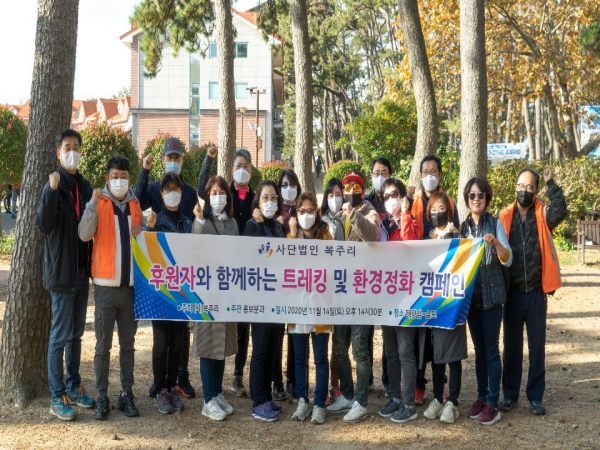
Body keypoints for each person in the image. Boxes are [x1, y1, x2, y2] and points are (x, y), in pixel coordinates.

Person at [79, 155, 143, 420]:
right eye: (114, 176)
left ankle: (126, 394)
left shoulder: (136, 205)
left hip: (130, 288)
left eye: (124, 177)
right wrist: (92, 206)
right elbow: (83, 234)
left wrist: (145, 229)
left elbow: (146, 244)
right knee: (103, 346)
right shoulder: (99, 203)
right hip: (105, 288)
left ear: (130, 178)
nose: (119, 181)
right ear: (107, 179)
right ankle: (103, 395)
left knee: (127, 345)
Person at [37, 129, 95, 421]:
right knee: (59, 336)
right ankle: (56, 395)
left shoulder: (84, 185)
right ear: (58, 153)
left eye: (76, 147)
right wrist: (49, 190)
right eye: (66, 147)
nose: (72, 151)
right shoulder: (54, 184)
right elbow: (44, 224)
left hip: (82, 272)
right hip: (61, 274)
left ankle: (74, 386)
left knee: (76, 335)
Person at [499, 168, 566, 416]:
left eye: (529, 187)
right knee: (511, 346)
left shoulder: (542, 212)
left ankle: (535, 397)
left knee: (537, 346)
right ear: (514, 187)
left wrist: (551, 182)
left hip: (537, 292)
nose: (524, 191)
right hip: (513, 293)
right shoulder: (504, 215)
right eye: (520, 186)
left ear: (536, 190)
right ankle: (510, 394)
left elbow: (561, 209)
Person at [135, 136, 198, 399]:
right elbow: (136, 202)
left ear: (182, 159)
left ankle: (179, 378)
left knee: (181, 334)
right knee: (161, 338)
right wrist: (144, 170)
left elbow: (196, 231)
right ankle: (159, 383)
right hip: (161, 278)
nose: (173, 162)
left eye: (177, 157)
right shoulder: (152, 188)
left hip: (182, 278)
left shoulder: (191, 193)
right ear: (163, 160)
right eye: (169, 157)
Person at [326, 172, 380, 423]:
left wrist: (353, 214)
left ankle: (360, 400)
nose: (349, 190)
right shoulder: (337, 217)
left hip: (363, 292)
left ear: (363, 189)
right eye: (346, 186)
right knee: (339, 348)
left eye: (355, 186)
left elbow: (372, 236)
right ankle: (347, 394)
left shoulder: (370, 212)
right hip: (340, 292)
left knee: (360, 349)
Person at [460, 177, 513, 426]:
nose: (477, 199)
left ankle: (493, 402)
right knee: (479, 351)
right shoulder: (463, 228)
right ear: (467, 199)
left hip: (492, 299)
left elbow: (508, 258)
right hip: (472, 300)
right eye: (472, 195)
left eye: (481, 195)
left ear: (487, 198)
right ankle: (481, 397)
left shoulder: (495, 223)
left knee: (491, 351)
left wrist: (496, 244)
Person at [409, 155, 459, 405]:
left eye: (433, 171)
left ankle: (442, 387)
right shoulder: (412, 201)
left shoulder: (449, 200)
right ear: (420, 176)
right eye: (425, 171)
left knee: (440, 334)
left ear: (439, 175)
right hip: (418, 278)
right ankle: (419, 383)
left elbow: (459, 243)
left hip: (443, 282)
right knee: (419, 334)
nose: (429, 175)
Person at [192, 175, 239, 421]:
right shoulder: (201, 220)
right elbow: (194, 248)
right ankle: (208, 399)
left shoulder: (231, 222)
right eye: (214, 193)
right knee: (207, 346)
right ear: (207, 197)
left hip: (226, 292)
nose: (218, 197)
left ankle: (218, 392)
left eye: (222, 193)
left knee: (221, 346)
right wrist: (199, 221)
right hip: (205, 293)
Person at [146, 173, 192, 414]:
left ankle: (172, 385)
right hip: (161, 292)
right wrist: (149, 229)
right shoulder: (156, 220)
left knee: (177, 343)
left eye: (176, 188)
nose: (172, 192)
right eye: (167, 189)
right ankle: (161, 389)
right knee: (161, 343)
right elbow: (147, 254)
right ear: (161, 193)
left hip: (182, 292)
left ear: (182, 192)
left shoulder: (188, 223)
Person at [377, 178, 422, 423]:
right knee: (391, 351)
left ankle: (408, 403)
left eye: (394, 194)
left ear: (402, 197)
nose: (390, 199)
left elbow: (409, 244)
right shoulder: (382, 226)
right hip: (387, 298)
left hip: (408, 299)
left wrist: (405, 213)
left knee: (406, 351)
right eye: (386, 195)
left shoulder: (410, 221)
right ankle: (394, 397)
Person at [287, 192, 333, 424]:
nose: (306, 214)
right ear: (295, 214)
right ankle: (302, 401)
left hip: (320, 308)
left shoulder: (325, 235)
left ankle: (319, 404)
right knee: (299, 358)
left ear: (317, 211)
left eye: (309, 210)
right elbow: (286, 266)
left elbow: (327, 265)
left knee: (321, 359)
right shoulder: (289, 237)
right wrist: (293, 235)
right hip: (297, 308)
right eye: (301, 211)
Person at [420, 191, 466, 424]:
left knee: (453, 354)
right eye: (434, 209)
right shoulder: (426, 239)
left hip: (453, 304)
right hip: (433, 304)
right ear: (429, 213)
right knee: (437, 354)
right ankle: (438, 397)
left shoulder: (459, 236)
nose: (438, 212)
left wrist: (453, 237)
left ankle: (453, 401)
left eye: (443, 209)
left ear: (450, 211)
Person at [244, 180, 286, 421]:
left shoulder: (279, 228)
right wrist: (260, 225)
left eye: (273, 198)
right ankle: (257, 400)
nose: (270, 202)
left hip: (277, 298)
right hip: (259, 299)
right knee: (259, 350)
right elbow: (257, 257)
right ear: (257, 202)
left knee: (273, 349)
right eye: (265, 198)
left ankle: (267, 396)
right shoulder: (252, 226)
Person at [364, 157, 394, 393]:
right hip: (367, 277)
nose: (380, 176)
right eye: (376, 172)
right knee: (366, 329)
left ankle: (387, 377)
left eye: (384, 172)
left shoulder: (396, 200)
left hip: (391, 278)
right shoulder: (364, 203)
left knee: (388, 332)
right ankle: (368, 377)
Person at [273, 169, 303, 400]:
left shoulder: (305, 208)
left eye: (291, 184)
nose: (288, 188)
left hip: (298, 281)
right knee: (276, 334)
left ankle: (293, 380)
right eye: (284, 184)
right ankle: (277, 383)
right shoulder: (273, 211)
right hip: (275, 280)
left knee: (295, 333)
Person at [319, 178, 345, 403]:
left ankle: (335, 385)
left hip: (344, 287)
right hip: (323, 288)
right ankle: (323, 384)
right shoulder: (320, 222)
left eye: (339, 194)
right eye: (331, 194)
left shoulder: (350, 218)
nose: (335, 198)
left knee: (339, 341)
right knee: (323, 340)